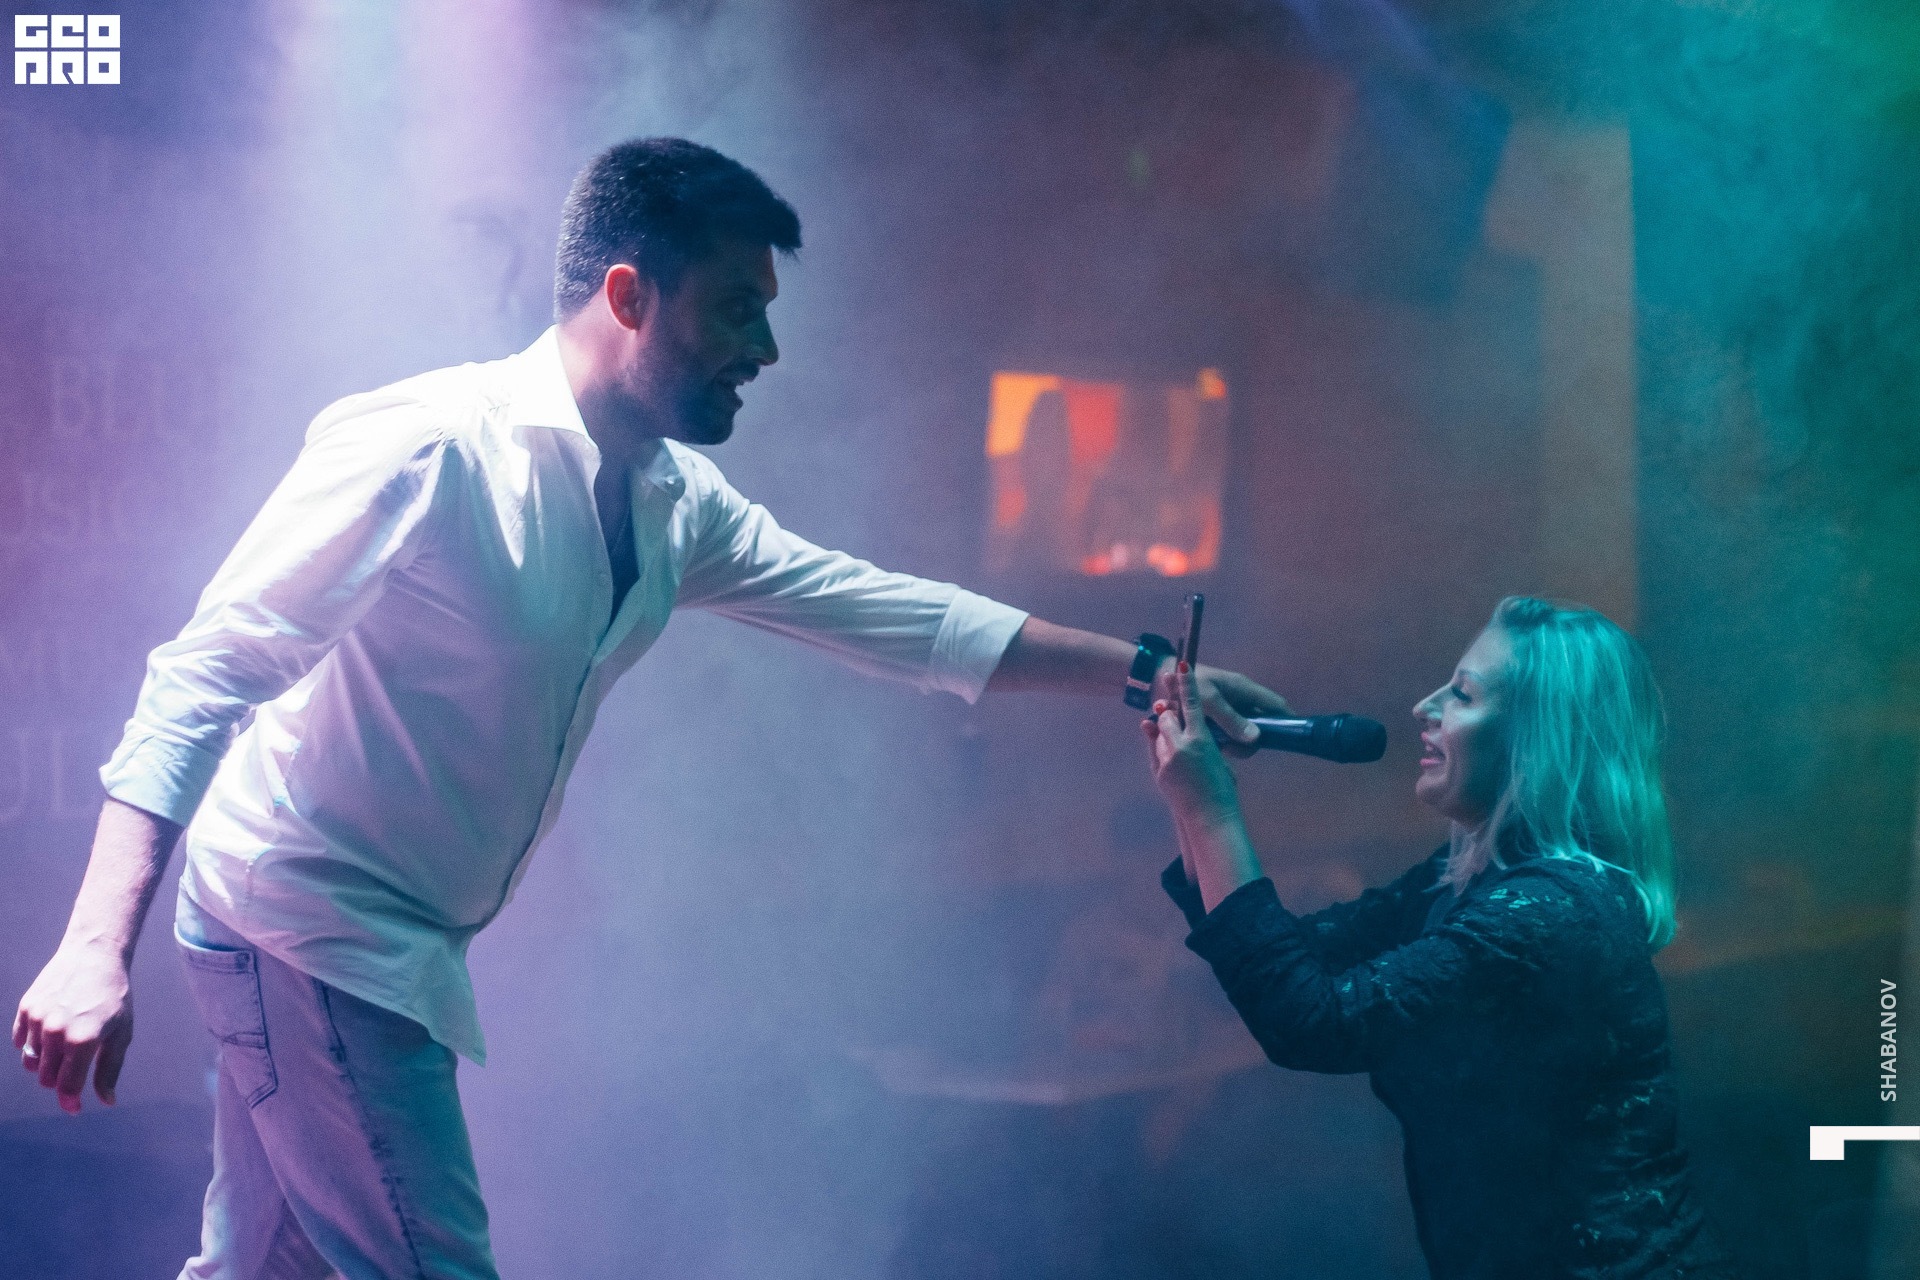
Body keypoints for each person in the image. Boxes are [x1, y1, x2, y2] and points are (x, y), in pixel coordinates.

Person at [12, 138, 1288, 1280]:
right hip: (309, 926)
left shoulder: (678, 502)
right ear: (629, 297)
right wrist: (90, 947)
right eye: (738, 308)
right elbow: (204, 672)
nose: (766, 351)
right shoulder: (429, 445)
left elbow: (893, 613)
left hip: (357, 938)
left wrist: (1145, 672)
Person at [1141, 596, 1737, 1279]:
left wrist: (1211, 809)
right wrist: (1188, 794)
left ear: (1537, 737)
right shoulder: (1471, 877)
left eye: (1462, 694)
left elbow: (1313, 1022)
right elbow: (1290, 958)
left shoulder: (1551, 912)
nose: (1424, 707)